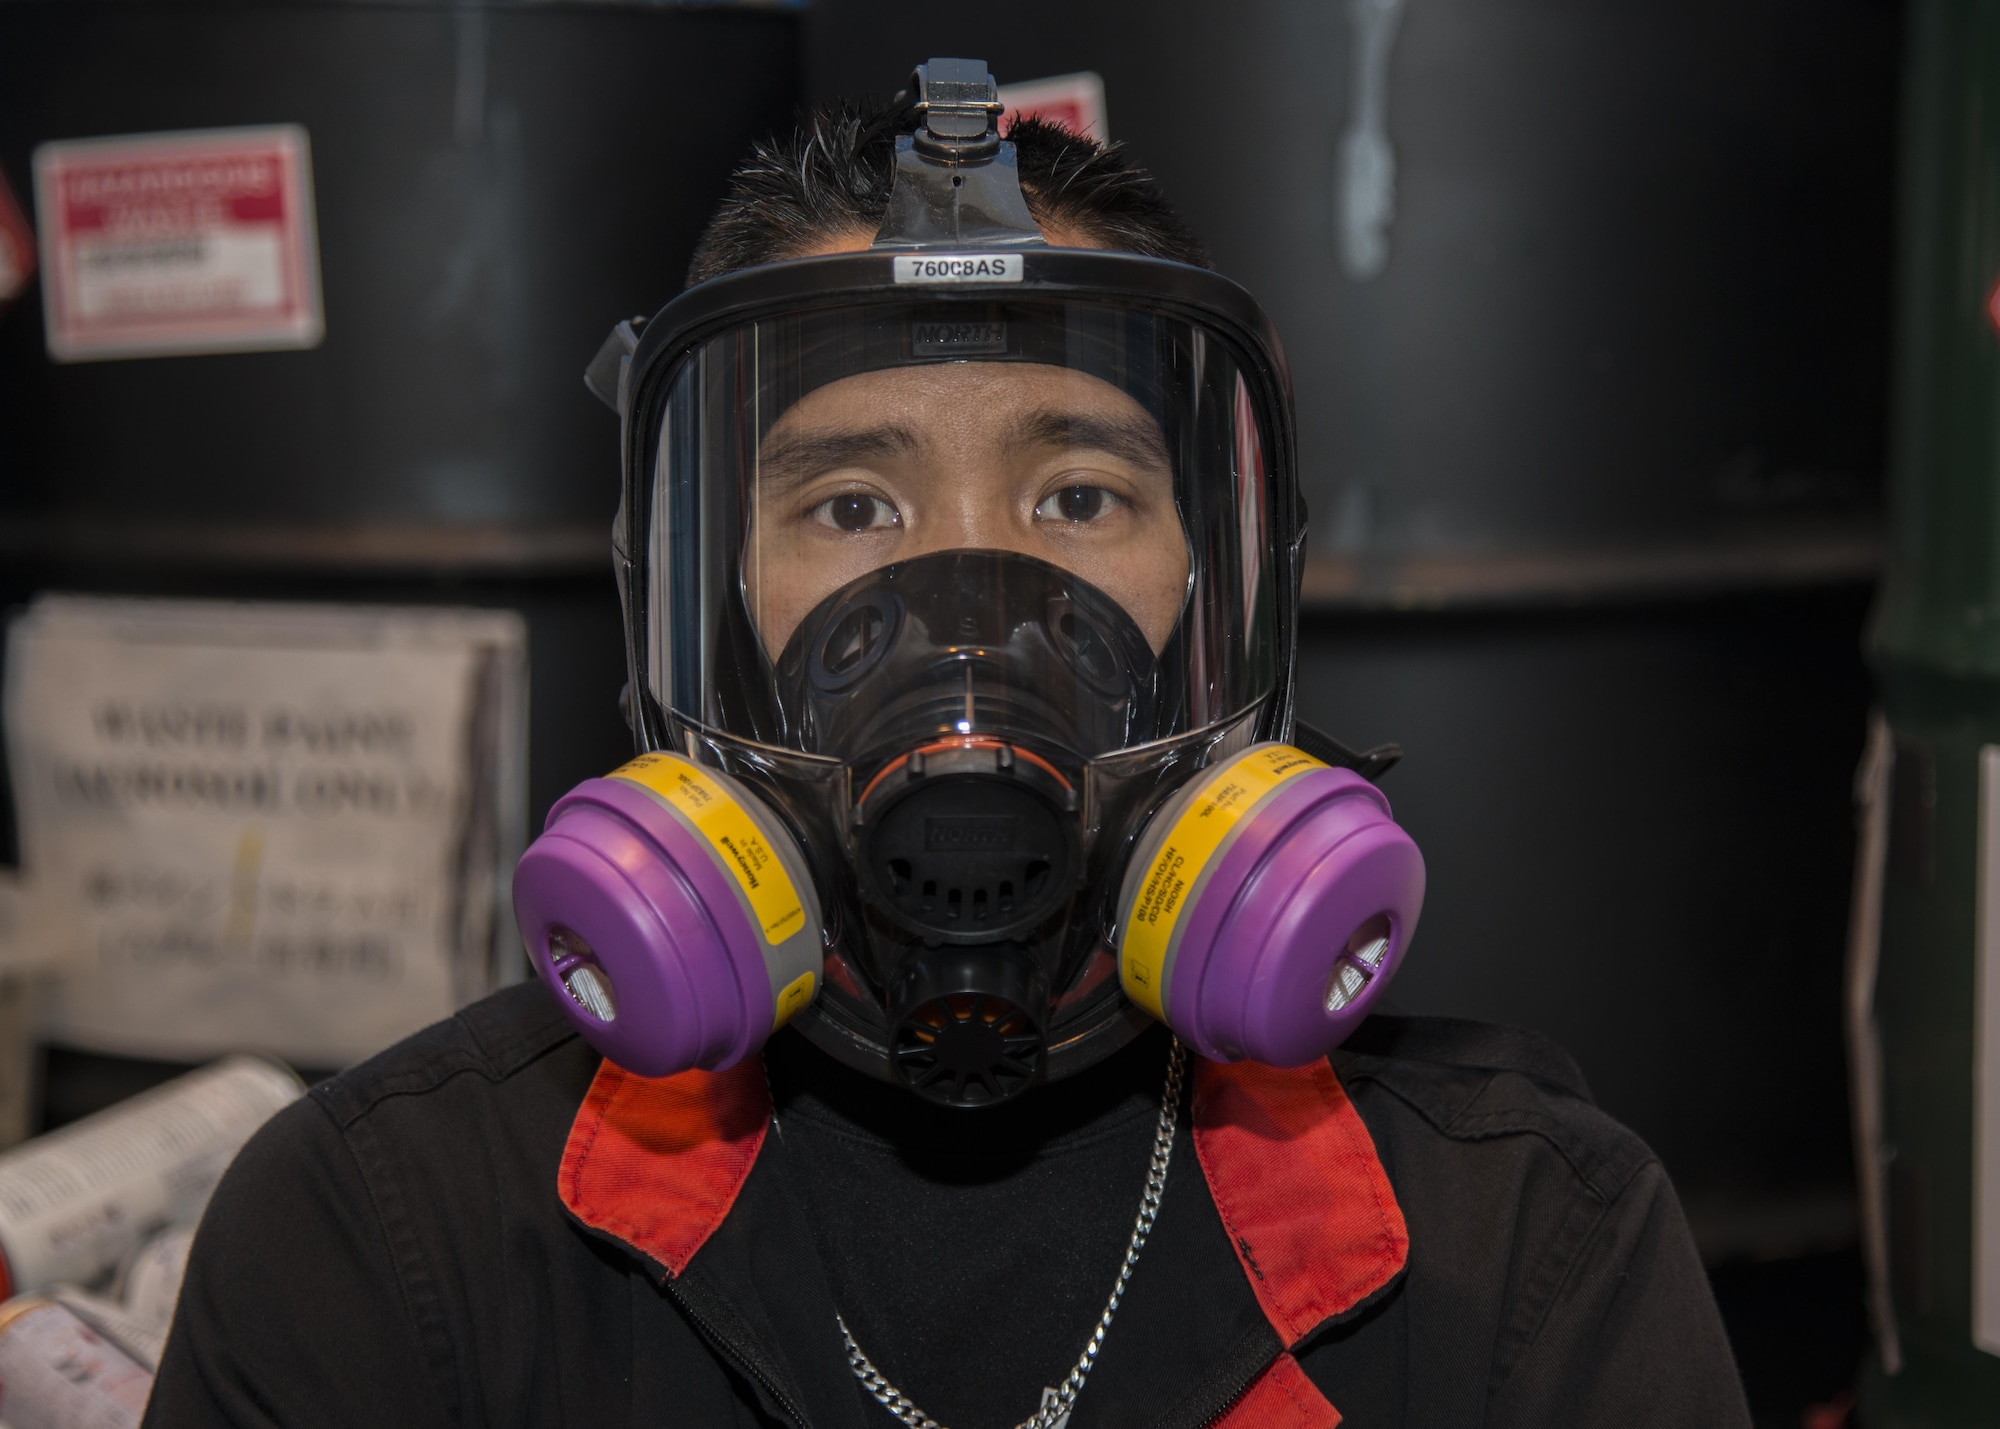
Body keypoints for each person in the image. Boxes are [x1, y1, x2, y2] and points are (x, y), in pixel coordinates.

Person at [142, 60, 1753, 1429]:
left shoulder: (1528, 1245)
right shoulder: (381, 1242)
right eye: (852, 504)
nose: (973, 612)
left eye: (1080, 497)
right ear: (708, 604)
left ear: (1221, 590)